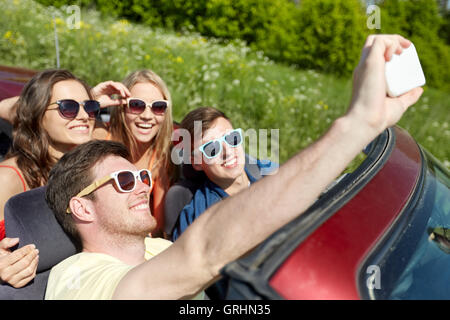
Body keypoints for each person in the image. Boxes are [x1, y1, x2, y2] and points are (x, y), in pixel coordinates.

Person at [43, 34, 423, 299]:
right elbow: (201, 252)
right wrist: (355, 127)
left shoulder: (156, 243)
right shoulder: (81, 277)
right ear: (81, 205)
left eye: (142, 177)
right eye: (125, 180)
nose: (143, 185)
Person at [0, 69, 100, 286]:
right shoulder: (8, 178)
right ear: (37, 114)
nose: (84, 116)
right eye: (68, 107)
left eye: (90, 107)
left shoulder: (90, 168)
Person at [88, 70, 177, 237]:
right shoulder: (99, 136)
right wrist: (91, 100)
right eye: (137, 105)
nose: (147, 116)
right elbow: (42, 122)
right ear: (122, 107)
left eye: (158, 107)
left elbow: (158, 226)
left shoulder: (160, 157)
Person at [171, 106, 276, 242]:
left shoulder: (270, 174)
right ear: (196, 162)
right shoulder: (199, 220)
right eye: (212, 149)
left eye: (231, 138)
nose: (227, 151)